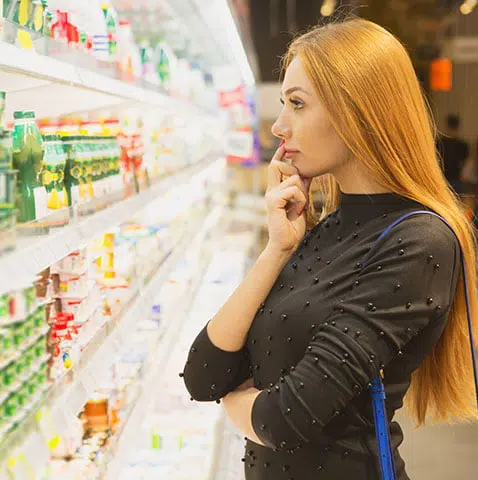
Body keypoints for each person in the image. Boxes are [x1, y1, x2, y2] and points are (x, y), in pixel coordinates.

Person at [182, 18, 478, 480]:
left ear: (360, 112)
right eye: (284, 104)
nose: (279, 126)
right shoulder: (322, 226)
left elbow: (285, 417)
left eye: (297, 104)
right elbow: (202, 375)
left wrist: (233, 400)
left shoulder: (419, 240)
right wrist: (275, 252)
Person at [436, 114, 470, 194]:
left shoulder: (439, 143)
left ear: (447, 125)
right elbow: (465, 163)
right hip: (456, 177)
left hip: (442, 176)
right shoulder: (462, 145)